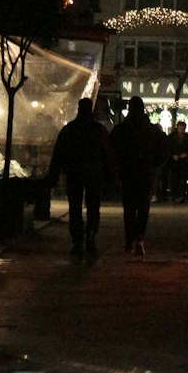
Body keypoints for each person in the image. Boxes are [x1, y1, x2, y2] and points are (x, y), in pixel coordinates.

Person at [46, 98, 116, 255]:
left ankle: (77, 238)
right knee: (93, 205)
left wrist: (53, 175)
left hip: (74, 172)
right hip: (93, 173)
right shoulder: (98, 130)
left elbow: (58, 153)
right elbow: (108, 154)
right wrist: (111, 176)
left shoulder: (70, 129)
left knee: (75, 206)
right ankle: (90, 233)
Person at [110, 95, 170, 255]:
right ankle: (140, 238)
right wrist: (153, 165)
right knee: (143, 208)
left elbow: (112, 151)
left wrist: (118, 170)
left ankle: (129, 240)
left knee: (129, 208)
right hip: (145, 173)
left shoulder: (121, 130)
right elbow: (163, 151)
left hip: (127, 173)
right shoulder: (151, 130)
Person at [167, 119, 188, 203]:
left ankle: (181, 195)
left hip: (183, 161)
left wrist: (186, 154)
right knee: (174, 178)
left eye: (182, 129)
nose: (181, 131)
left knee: (183, 178)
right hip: (174, 161)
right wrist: (172, 155)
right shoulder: (171, 137)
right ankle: (174, 194)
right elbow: (168, 149)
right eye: (180, 129)